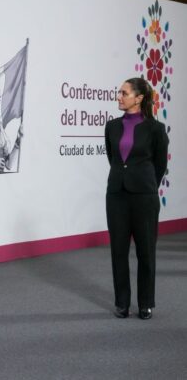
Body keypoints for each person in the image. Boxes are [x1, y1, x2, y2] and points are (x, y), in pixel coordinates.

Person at [105, 77, 169, 320]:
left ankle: (145, 303)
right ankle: (122, 303)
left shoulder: (156, 129)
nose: (119, 97)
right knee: (118, 251)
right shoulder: (111, 126)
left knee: (146, 251)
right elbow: (113, 158)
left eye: (124, 93)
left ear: (139, 98)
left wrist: (146, 184)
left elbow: (159, 165)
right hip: (116, 196)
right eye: (119, 92)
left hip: (144, 197)